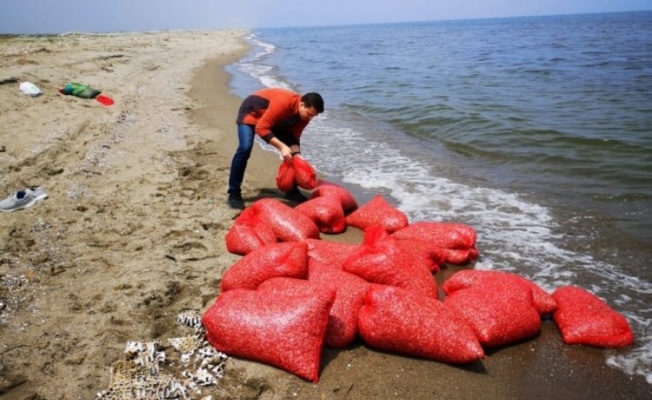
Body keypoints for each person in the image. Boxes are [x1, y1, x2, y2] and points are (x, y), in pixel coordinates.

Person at [227, 88, 324, 210]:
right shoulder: (284, 103)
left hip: (274, 119)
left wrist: (297, 155)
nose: (310, 118)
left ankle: (291, 190)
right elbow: (261, 128)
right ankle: (234, 193)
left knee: (294, 155)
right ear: (302, 104)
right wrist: (282, 147)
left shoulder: (305, 116)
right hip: (252, 111)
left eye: (313, 116)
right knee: (244, 148)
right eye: (309, 114)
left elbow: (293, 138)